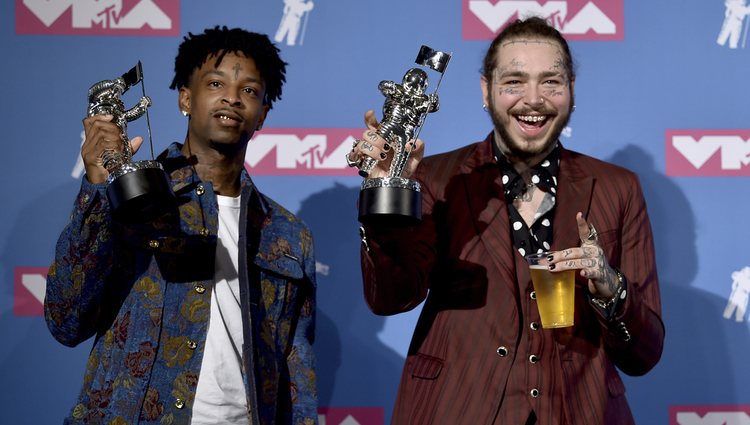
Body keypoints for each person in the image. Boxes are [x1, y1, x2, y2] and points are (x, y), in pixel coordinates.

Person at [347, 16, 664, 425]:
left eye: (551, 81)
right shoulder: (437, 177)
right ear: (486, 90)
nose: (534, 99)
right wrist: (384, 197)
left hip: (581, 411)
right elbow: (390, 298)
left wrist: (611, 289)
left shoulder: (617, 188)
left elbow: (645, 353)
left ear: (571, 91)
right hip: (456, 409)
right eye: (514, 82)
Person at [45, 26, 318, 425]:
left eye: (249, 90)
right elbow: (65, 321)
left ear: (263, 115)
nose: (231, 97)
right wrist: (99, 190)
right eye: (215, 82)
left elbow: (297, 378)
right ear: (185, 99)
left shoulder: (289, 235)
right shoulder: (133, 197)